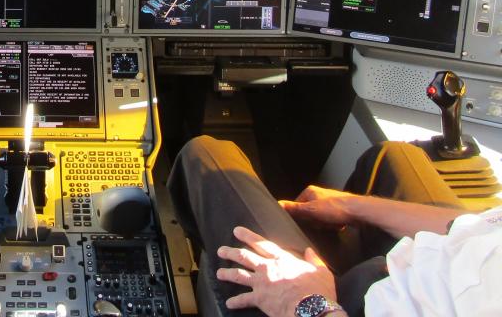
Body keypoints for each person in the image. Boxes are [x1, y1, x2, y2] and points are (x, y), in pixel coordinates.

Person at [169, 135, 502, 317]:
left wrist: (309, 303)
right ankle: (334, 251)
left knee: (207, 156)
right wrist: (350, 205)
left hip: (355, 307)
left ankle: (206, 278)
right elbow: (472, 226)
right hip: (439, 262)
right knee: (395, 155)